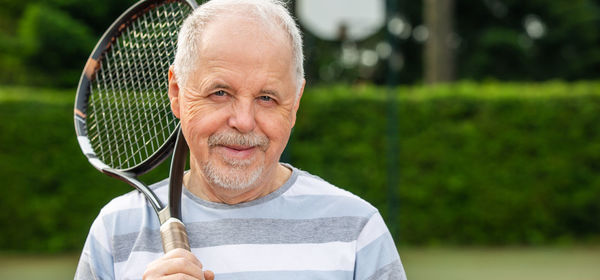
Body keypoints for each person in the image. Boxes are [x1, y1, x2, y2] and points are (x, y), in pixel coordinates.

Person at [75, 0, 406, 279]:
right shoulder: (114, 230)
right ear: (177, 93)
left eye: (267, 98)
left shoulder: (358, 230)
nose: (244, 122)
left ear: (296, 103)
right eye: (220, 92)